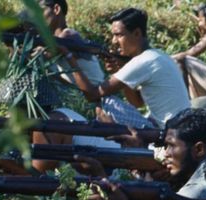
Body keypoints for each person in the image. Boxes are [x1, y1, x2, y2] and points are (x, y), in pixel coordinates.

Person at [62, 7, 191, 127]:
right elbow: (137, 102)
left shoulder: (143, 60)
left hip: (171, 131)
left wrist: (69, 57)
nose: (114, 41)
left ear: (136, 33)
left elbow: (92, 95)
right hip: (178, 126)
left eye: (119, 35)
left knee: (106, 102)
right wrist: (120, 71)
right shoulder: (157, 55)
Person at [37, 0, 155, 129]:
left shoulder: (68, 35)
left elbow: (42, 55)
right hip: (86, 104)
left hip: (101, 105)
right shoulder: (55, 40)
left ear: (56, 9)